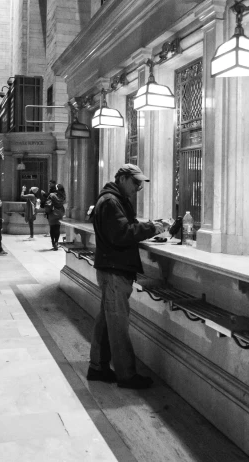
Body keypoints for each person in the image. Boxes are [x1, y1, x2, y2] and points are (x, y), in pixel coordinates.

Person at [87, 164, 164, 389]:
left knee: (106, 321)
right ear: (122, 178)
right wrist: (151, 228)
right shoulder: (111, 201)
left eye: (141, 183)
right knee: (118, 325)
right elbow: (121, 234)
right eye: (135, 182)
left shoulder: (113, 199)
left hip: (112, 267)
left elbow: (124, 227)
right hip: (114, 269)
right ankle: (126, 375)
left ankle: (97, 368)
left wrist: (149, 227)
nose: (139, 187)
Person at [44, 184, 67, 250]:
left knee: (52, 227)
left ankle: (53, 243)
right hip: (60, 212)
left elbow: (47, 203)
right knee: (57, 227)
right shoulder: (63, 196)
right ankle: (56, 242)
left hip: (53, 212)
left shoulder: (52, 195)